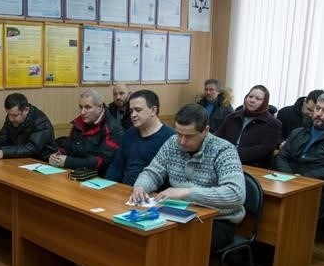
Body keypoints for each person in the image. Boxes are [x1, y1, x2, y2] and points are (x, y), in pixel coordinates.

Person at [130, 103, 245, 255]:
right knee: (142, 235)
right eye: (179, 134)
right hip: (178, 213)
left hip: (217, 220)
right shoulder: (172, 142)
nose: (182, 141)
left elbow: (236, 194)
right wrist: (140, 187)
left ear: (205, 131)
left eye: (189, 136)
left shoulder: (224, 149)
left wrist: (186, 192)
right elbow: (152, 172)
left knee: (174, 245)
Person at [274, 92, 324, 216]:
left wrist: (304, 177)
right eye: (318, 108)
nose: (319, 113)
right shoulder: (298, 132)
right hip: (287, 182)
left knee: (293, 209)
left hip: (320, 190)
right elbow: (282, 156)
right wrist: (291, 177)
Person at [105, 89, 175, 185]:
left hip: (152, 195)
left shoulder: (170, 138)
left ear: (153, 110)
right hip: (124, 191)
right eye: (131, 111)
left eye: (138, 110)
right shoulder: (129, 134)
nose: (133, 115)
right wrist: (106, 186)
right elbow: (117, 166)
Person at [48, 89, 124, 176]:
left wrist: (67, 162)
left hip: (99, 178)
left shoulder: (113, 129)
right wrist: (58, 155)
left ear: (99, 107)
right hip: (75, 173)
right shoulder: (79, 123)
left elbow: (101, 163)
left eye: (88, 107)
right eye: (81, 107)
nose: (82, 112)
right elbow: (68, 146)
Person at [216, 85, 282, 168]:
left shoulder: (273, 123)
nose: (252, 100)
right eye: (250, 97)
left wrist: (231, 153)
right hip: (224, 162)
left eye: (258, 99)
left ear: (265, 102)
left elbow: (264, 150)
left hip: (254, 167)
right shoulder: (231, 117)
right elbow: (218, 138)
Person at [0, 93, 57, 161]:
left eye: (15, 115)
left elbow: (32, 148)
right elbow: (3, 138)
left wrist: (3, 152)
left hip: (42, 162)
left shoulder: (41, 121)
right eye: (8, 114)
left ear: (26, 110)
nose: (10, 119)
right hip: (21, 160)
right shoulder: (12, 118)